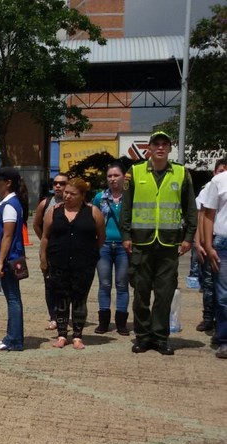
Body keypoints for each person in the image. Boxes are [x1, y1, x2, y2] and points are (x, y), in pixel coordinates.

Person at [120, 131, 197, 356]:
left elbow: (190, 209)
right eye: (157, 144)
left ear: (170, 149)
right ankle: (143, 337)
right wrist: (126, 236)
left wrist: (188, 238)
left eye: (165, 144)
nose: (161, 147)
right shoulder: (134, 172)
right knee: (141, 294)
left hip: (168, 244)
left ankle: (161, 337)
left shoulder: (182, 173)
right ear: (150, 149)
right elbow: (126, 208)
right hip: (141, 243)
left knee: (164, 294)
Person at [40, 178, 105, 349]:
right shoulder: (54, 211)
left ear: (82, 195)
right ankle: (62, 335)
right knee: (61, 299)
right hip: (58, 262)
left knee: (79, 299)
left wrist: (90, 254)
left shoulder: (93, 212)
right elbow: (45, 237)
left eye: (72, 194)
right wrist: (43, 259)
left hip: (83, 264)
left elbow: (101, 237)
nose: (67, 196)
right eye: (66, 192)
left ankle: (77, 335)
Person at [0, 167, 29, 351]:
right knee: (12, 298)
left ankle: (14, 340)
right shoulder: (6, 203)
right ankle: (11, 337)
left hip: (9, 260)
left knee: (13, 299)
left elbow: (8, 236)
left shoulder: (10, 205)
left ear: (8, 183)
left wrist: (0, 262)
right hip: (9, 258)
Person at [91, 163, 130, 335]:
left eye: (116, 175)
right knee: (104, 284)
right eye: (109, 176)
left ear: (123, 177)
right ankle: (104, 322)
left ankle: (121, 322)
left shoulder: (130, 197)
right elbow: (93, 220)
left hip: (124, 246)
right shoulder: (100, 197)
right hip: (104, 246)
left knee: (122, 285)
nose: (113, 179)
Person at [193, 160, 227, 333]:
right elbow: (204, 215)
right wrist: (201, 243)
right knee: (214, 288)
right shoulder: (214, 185)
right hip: (218, 240)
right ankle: (214, 325)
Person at [33, 172, 69, 330]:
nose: (58, 186)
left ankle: (65, 316)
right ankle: (53, 316)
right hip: (49, 251)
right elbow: (35, 224)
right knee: (50, 284)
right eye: (55, 183)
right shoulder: (45, 203)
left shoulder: (75, 203)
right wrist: (45, 242)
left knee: (67, 285)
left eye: (62, 183)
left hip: (68, 251)